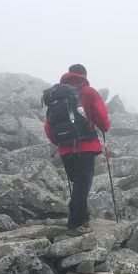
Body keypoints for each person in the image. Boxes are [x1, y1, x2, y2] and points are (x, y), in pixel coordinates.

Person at [44, 64, 110, 236]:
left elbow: (48, 124)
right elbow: (101, 117)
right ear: (84, 75)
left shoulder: (55, 95)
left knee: (78, 183)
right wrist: (104, 127)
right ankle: (75, 223)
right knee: (83, 184)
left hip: (65, 149)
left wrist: (60, 141)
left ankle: (84, 216)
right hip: (85, 146)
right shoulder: (88, 92)